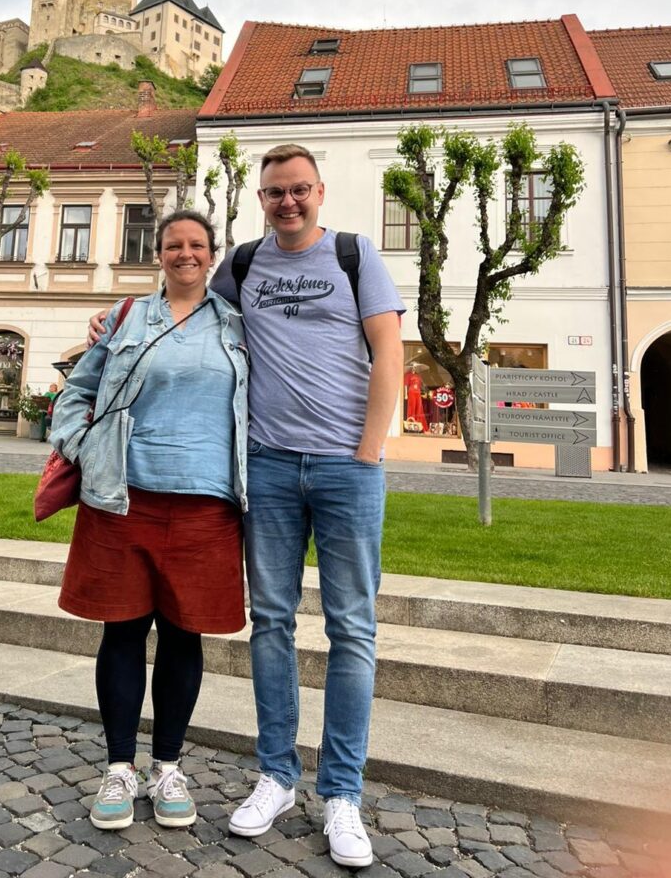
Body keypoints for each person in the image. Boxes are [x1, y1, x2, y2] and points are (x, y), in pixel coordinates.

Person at [90, 146, 405, 868]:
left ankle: (342, 793)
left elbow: (389, 352)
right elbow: (185, 297)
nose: (287, 202)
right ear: (260, 199)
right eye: (274, 192)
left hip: (346, 468)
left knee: (352, 628)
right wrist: (114, 320)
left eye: (298, 190)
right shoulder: (244, 262)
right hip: (265, 466)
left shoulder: (356, 256)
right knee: (271, 623)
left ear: (319, 192)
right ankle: (277, 777)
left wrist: (368, 450)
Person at [50, 210, 249, 832]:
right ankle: (119, 766)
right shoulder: (126, 317)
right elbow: (76, 391)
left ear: (212, 254)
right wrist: (83, 448)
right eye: (173, 245)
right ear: (159, 254)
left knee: (184, 637)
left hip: (206, 504)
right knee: (123, 633)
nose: (185, 254)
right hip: (122, 498)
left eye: (196, 245)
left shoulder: (239, 324)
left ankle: (167, 767)